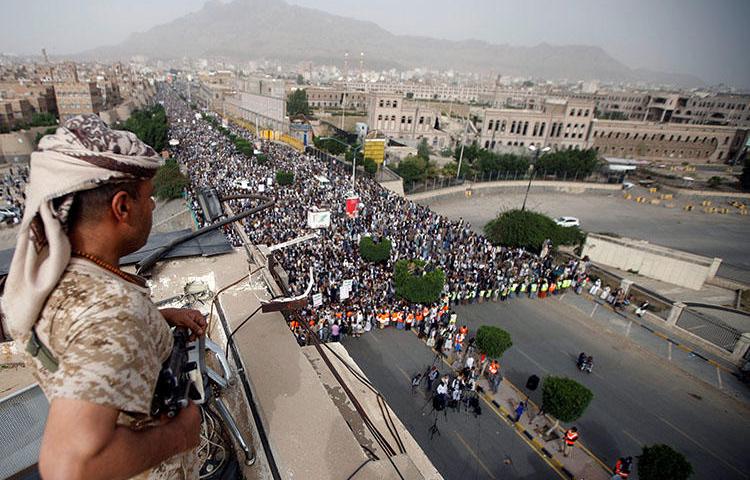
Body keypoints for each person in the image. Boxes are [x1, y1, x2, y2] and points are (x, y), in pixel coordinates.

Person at [3, 115, 205, 480]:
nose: (154, 206)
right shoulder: (112, 312)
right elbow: (70, 467)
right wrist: (178, 435)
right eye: (148, 197)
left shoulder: (56, 275)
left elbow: (87, 340)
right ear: (122, 207)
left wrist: (158, 318)